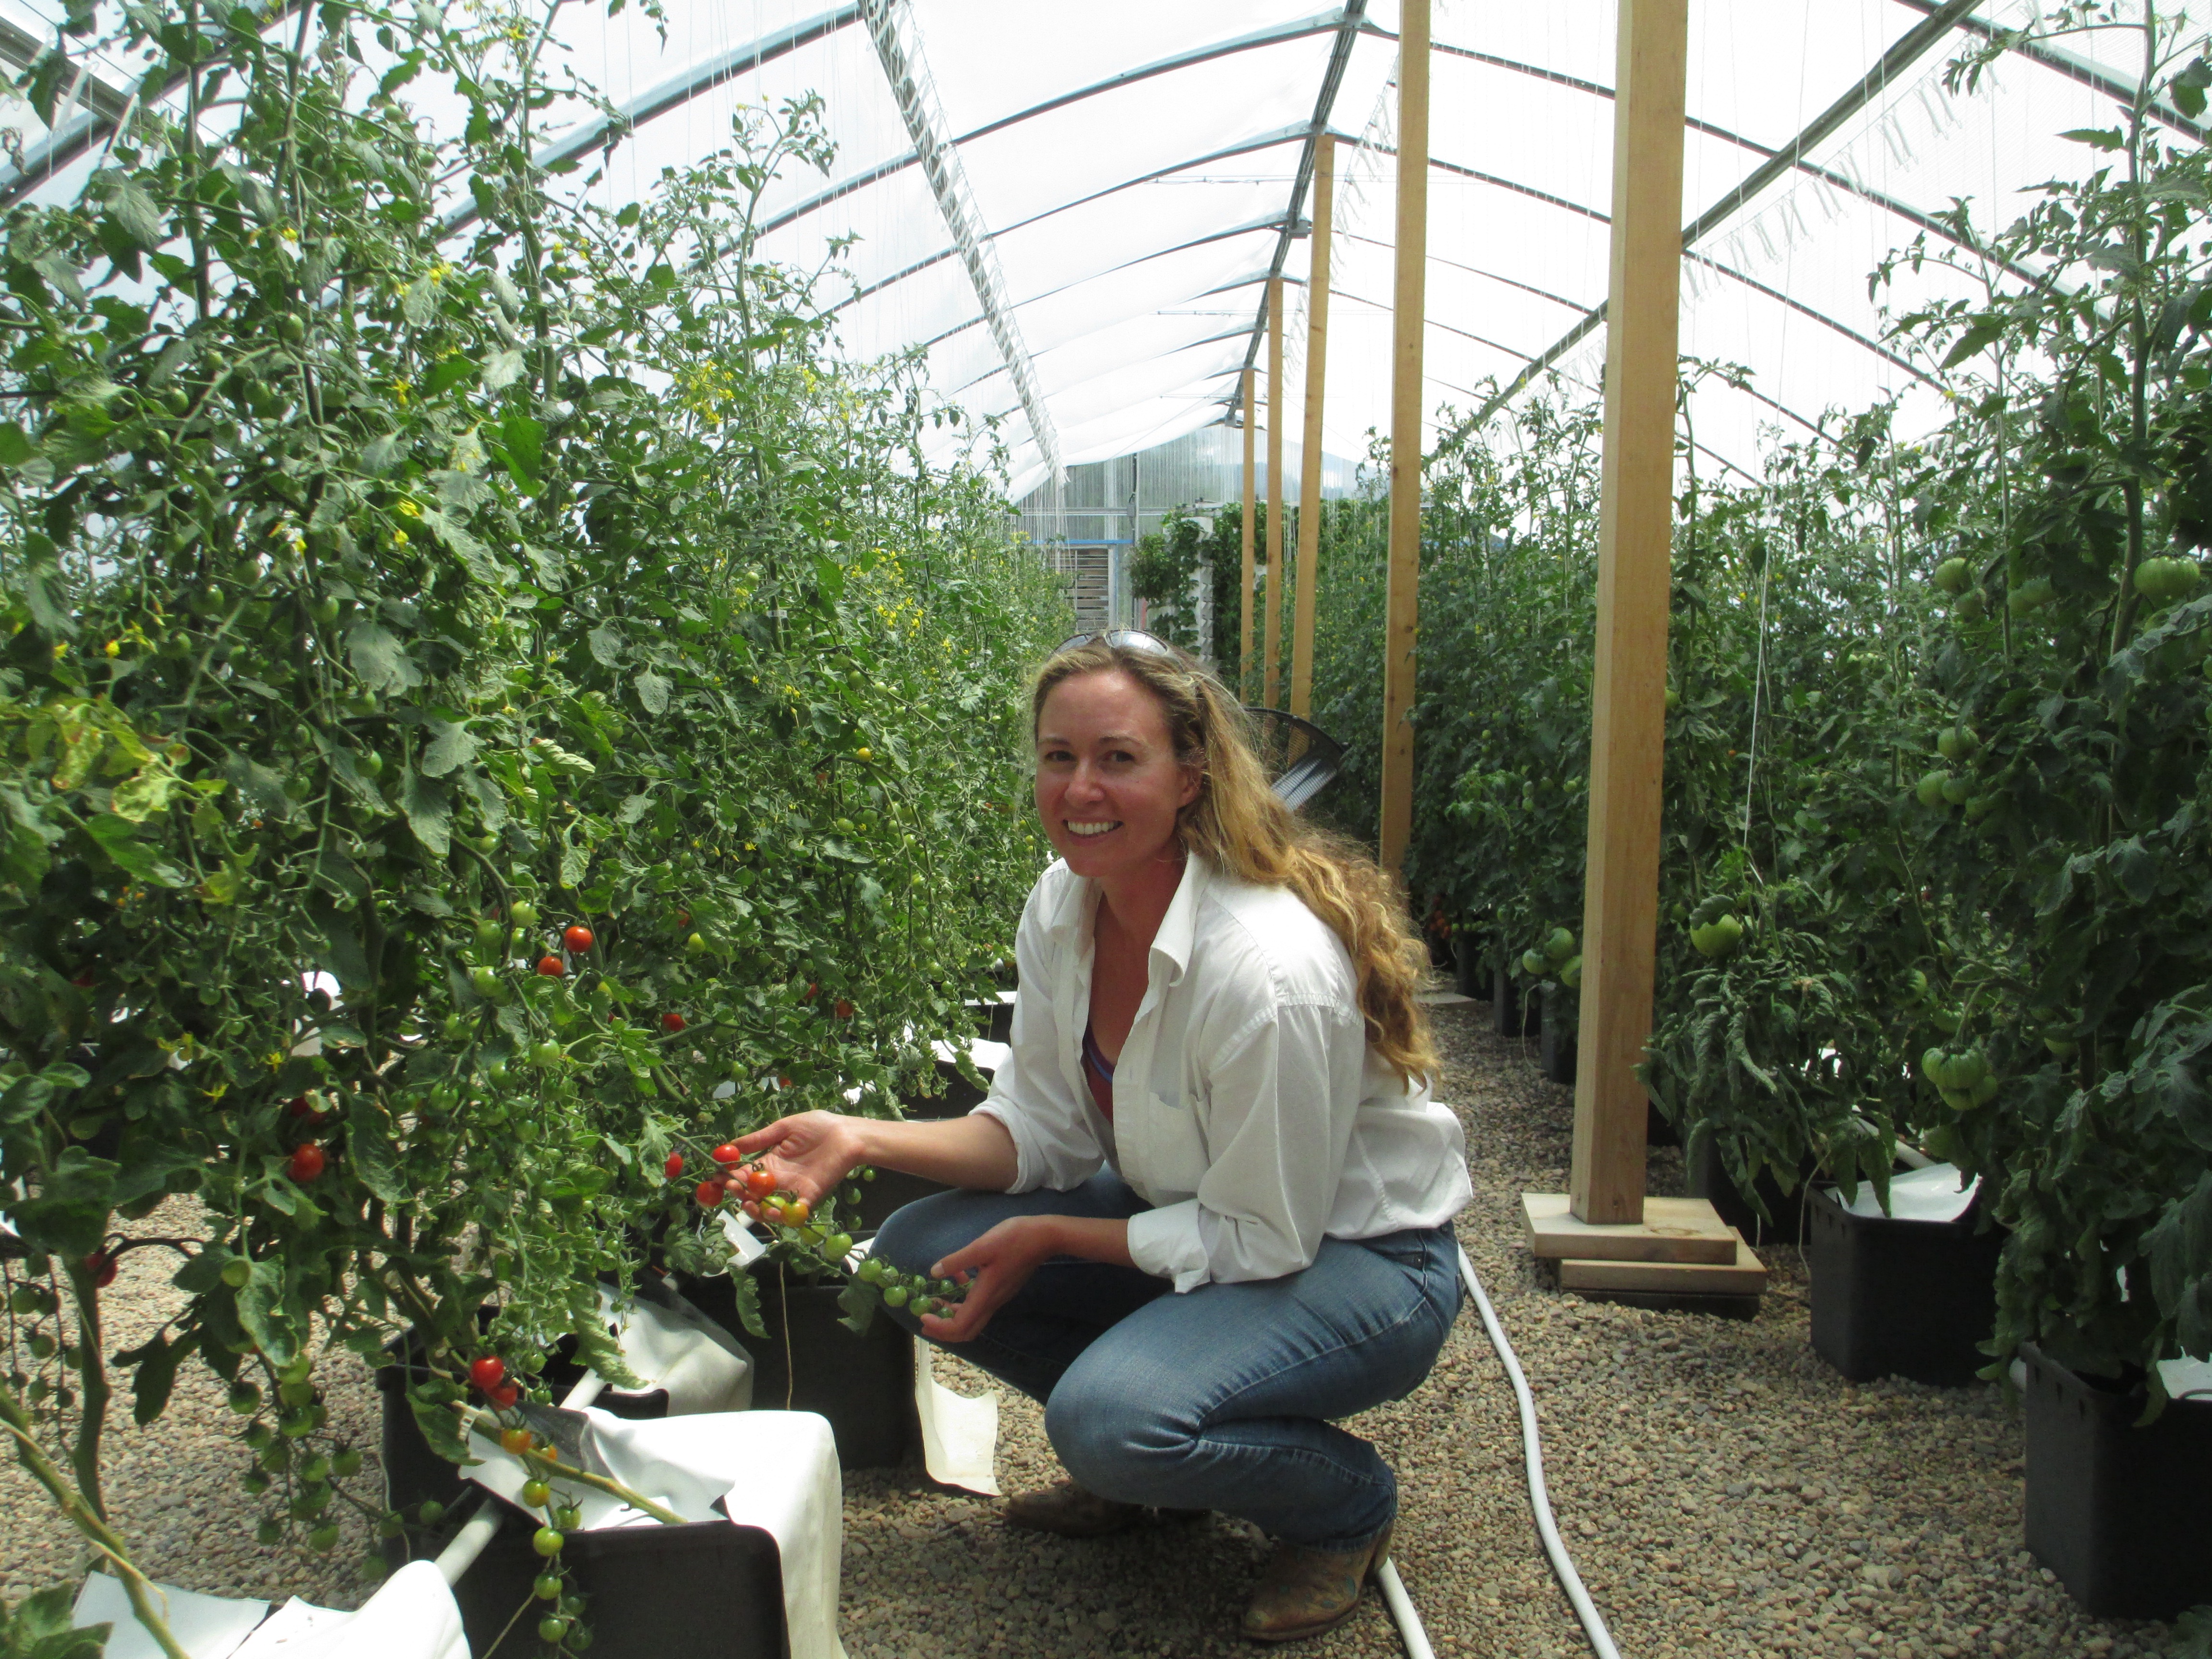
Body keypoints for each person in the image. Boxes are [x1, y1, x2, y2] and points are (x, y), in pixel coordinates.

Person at [735, 634, 1471, 1644]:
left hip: (1358, 1263)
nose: (1080, 788)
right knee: (914, 1260)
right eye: (1059, 756)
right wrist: (858, 1138)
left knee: (1104, 1420)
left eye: (1119, 758)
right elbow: (1040, 1129)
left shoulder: (1263, 971)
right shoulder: (1065, 904)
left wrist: (1052, 1237)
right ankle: (1159, 1463)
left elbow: (1263, 1238)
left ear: (1190, 775)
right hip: (1199, 1216)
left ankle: (1338, 1506)